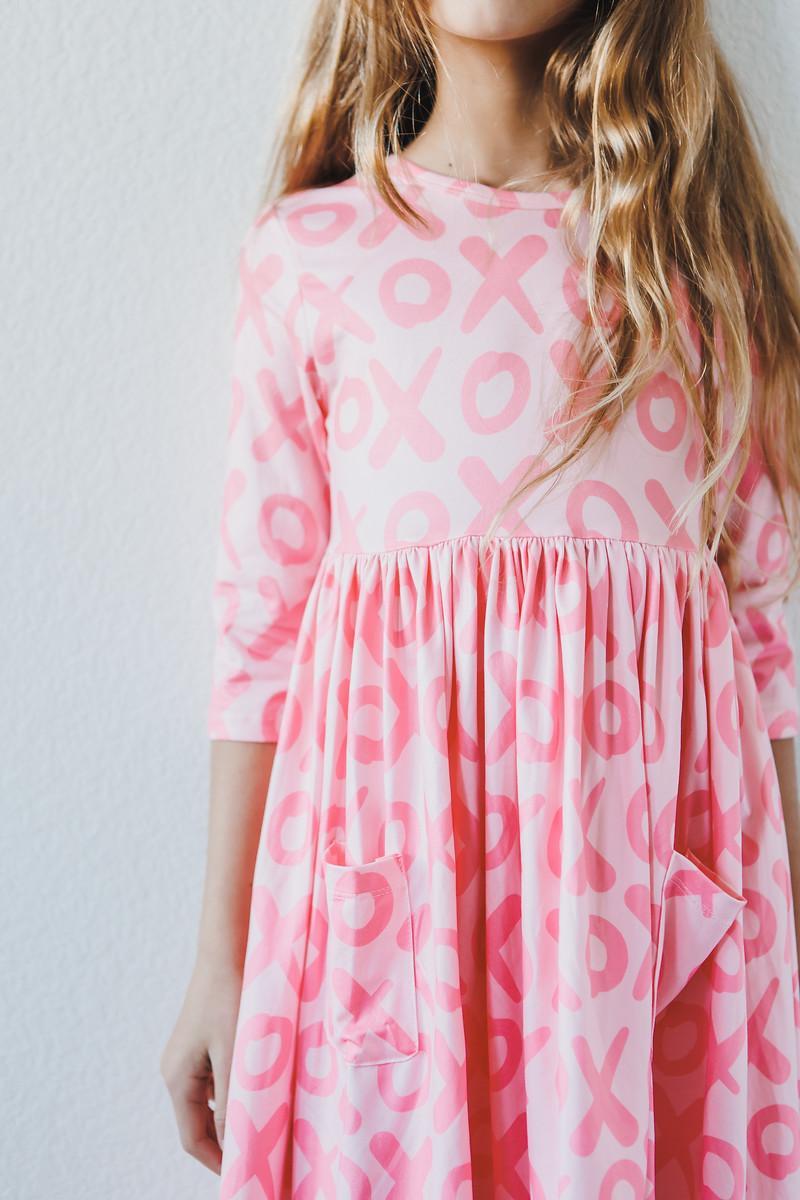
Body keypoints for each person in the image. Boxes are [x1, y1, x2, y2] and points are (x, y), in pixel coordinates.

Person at [160, 0, 800, 1194]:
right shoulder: (310, 257)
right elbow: (260, 630)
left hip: (639, 939)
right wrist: (220, 959)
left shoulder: (701, 261)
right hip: (393, 920)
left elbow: (762, 634)